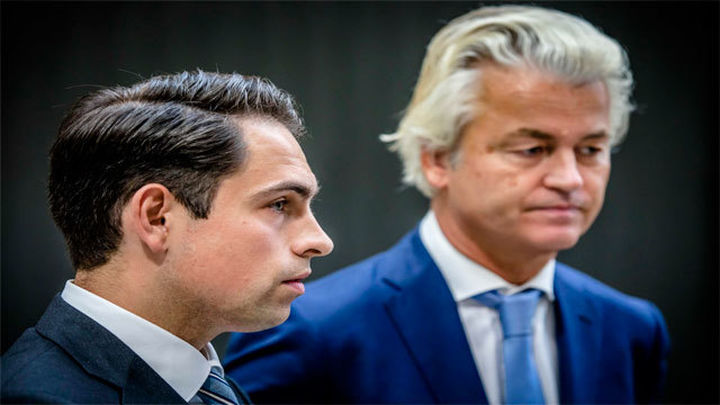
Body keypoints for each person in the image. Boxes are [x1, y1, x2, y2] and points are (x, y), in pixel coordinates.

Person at [224, 5, 670, 404]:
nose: (570, 179)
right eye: (532, 149)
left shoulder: (631, 330)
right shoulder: (311, 332)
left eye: (591, 150)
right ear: (437, 158)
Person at [1, 71, 333, 403]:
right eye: (279, 204)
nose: (320, 241)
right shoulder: (34, 399)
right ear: (156, 218)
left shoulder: (209, 387)